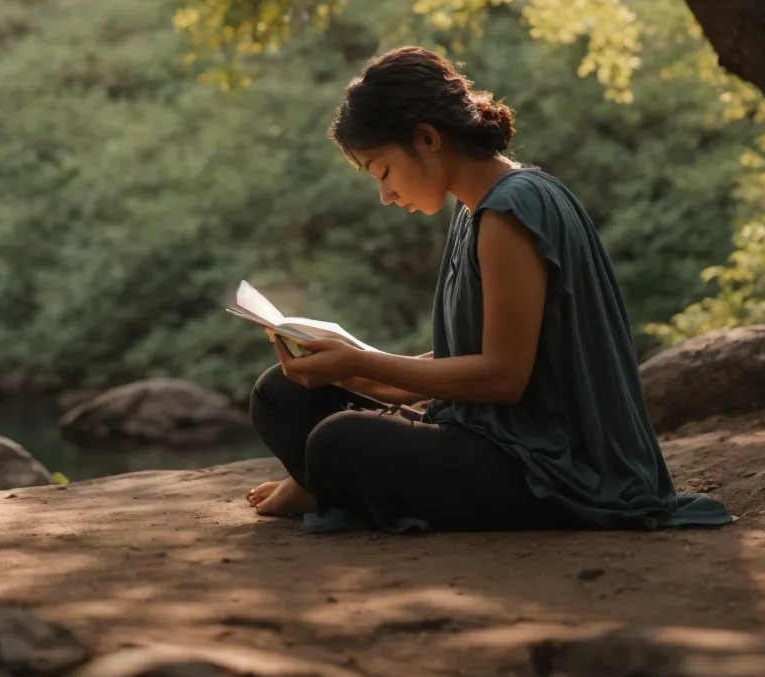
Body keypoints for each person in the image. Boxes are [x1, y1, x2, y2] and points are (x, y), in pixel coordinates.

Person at [245, 46, 732, 532]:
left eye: (383, 171)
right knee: (279, 395)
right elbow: (472, 360)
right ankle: (328, 484)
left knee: (339, 442)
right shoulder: (475, 210)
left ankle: (326, 483)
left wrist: (358, 364)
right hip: (493, 438)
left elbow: (503, 376)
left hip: (552, 468)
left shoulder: (510, 211)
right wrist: (349, 369)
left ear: (428, 138)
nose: (385, 195)